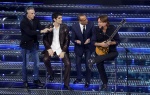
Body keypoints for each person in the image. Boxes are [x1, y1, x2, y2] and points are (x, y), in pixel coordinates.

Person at [20, 6, 51, 88]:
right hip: (25, 45)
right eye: (32, 13)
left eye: (34, 13)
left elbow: (41, 27)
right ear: (27, 14)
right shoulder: (23, 22)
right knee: (25, 65)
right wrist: (41, 31)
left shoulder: (36, 20)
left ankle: (36, 79)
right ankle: (25, 80)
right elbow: (29, 32)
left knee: (37, 64)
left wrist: (48, 28)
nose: (34, 14)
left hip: (34, 45)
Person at [88, 15, 120, 91]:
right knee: (99, 63)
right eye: (98, 22)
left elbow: (118, 41)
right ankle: (105, 83)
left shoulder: (112, 28)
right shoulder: (95, 29)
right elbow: (92, 42)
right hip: (100, 51)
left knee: (115, 54)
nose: (98, 24)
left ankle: (94, 60)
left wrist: (111, 43)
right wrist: (101, 44)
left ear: (106, 22)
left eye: (100, 22)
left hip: (111, 51)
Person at [42, 12, 73, 90]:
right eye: (59, 18)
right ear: (54, 19)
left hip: (61, 48)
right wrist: (49, 49)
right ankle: (51, 73)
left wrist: (63, 51)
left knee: (68, 64)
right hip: (51, 48)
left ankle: (66, 83)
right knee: (45, 59)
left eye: (61, 18)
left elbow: (67, 40)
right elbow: (45, 39)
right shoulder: (48, 27)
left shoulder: (65, 27)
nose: (61, 19)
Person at [71, 14, 94, 88]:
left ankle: (87, 81)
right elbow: (72, 38)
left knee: (88, 64)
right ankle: (79, 78)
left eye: (86, 19)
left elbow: (94, 35)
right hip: (79, 47)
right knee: (78, 63)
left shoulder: (91, 24)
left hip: (88, 47)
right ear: (80, 21)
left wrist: (89, 39)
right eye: (84, 20)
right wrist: (76, 41)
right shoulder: (74, 26)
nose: (86, 20)